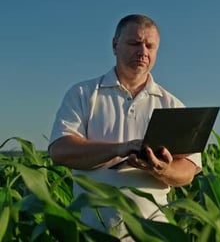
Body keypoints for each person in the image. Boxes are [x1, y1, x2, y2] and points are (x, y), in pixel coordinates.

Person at [48, 14, 201, 237]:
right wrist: (120, 148)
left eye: (150, 46)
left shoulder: (172, 104)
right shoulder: (83, 94)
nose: (143, 52)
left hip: (152, 231)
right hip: (93, 230)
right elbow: (60, 150)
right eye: (134, 43)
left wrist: (163, 169)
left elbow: (188, 171)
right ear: (115, 45)